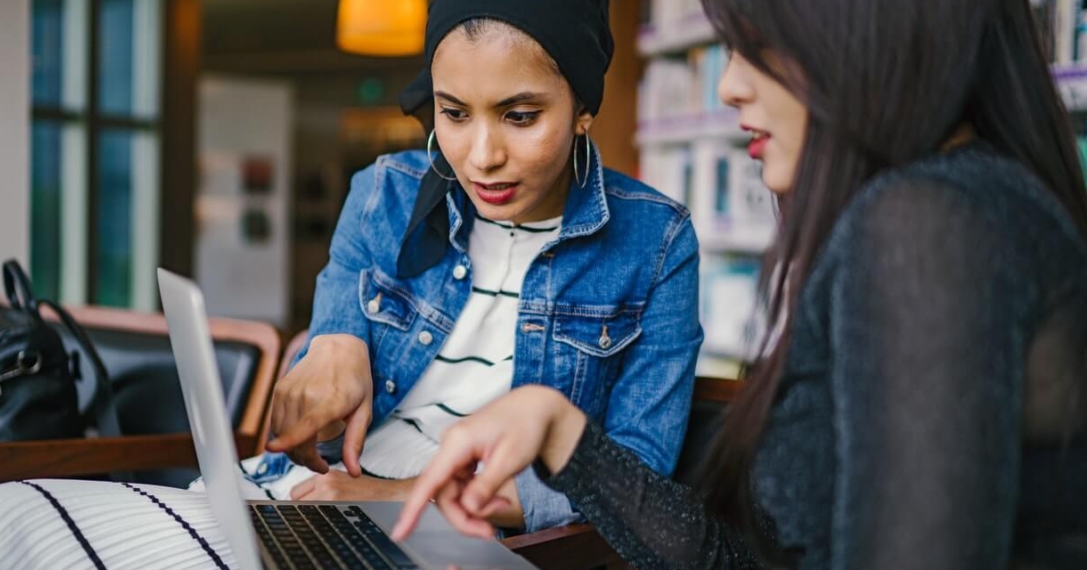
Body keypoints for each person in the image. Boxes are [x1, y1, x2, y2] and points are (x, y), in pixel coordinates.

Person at [394, 0, 1087, 567]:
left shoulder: (928, 225)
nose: (729, 86)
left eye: (757, 43)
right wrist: (560, 432)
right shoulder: (955, 208)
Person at [247, 0, 703, 535]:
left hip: (454, 532)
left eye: (520, 116)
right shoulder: (383, 192)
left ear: (583, 108)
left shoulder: (657, 241)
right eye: (455, 113)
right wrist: (332, 341)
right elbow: (330, 361)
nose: (482, 156)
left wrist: (402, 497)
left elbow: (633, 476)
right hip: (300, 492)